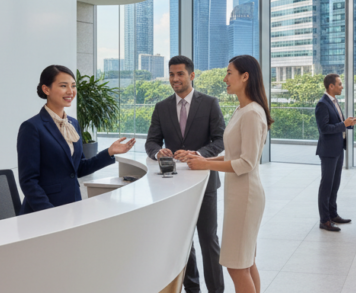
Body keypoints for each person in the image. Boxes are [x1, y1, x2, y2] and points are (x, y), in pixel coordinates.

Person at [186, 55, 272, 293]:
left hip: (246, 197)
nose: (225, 78)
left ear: (245, 77)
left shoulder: (252, 113)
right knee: (246, 262)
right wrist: (203, 160)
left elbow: (246, 162)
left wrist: (206, 165)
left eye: (229, 73)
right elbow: (233, 154)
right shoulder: (241, 109)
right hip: (239, 195)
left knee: (236, 266)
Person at [145, 56, 226, 293]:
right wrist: (157, 152)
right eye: (171, 74)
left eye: (179, 74)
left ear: (191, 75)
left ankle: (216, 291)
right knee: (184, 240)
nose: (174, 79)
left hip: (204, 183)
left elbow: (220, 139)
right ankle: (192, 289)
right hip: (173, 184)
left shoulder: (210, 103)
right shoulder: (161, 107)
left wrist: (198, 154)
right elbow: (151, 141)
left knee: (208, 240)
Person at [17, 65, 135, 215]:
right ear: (46, 89)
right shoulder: (32, 127)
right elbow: (28, 181)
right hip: (44, 211)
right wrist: (48, 213)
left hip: (72, 206)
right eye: (63, 86)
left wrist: (109, 152)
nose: (70, 91)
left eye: (73, 86)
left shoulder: (73, 124)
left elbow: (78, 168)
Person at [315, 73, 356, 232]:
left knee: (335, 184)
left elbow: (337, 124)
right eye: (340, 84)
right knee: (326, 185)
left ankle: (333, 214)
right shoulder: (322, 104)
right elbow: (324, 129)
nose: (342, 86)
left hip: (338, 148)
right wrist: (343, 124)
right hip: (328, 151)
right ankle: (324, 220)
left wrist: (349, 123)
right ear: (331, 86)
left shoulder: (334, 102)